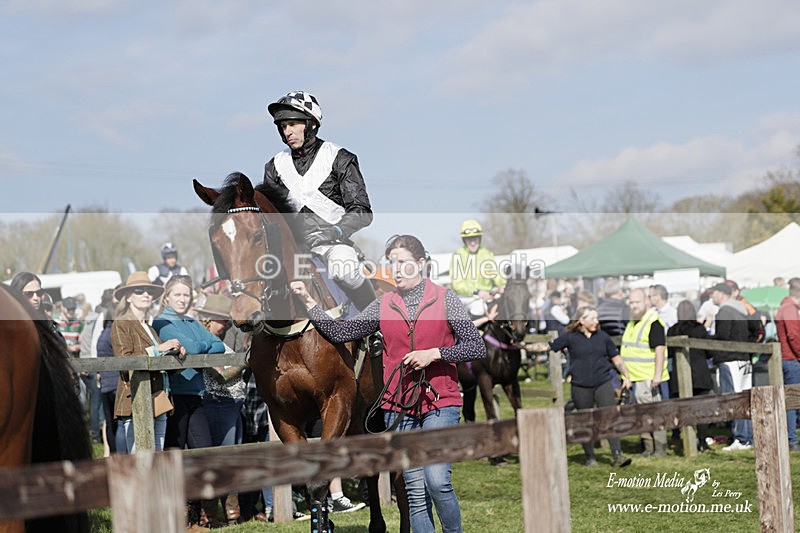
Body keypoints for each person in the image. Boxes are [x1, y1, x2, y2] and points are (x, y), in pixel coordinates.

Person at [291, 234, 485, 533]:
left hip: (441, 403)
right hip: (398, 408)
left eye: (404, 263)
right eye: (392, 263)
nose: (397, 269)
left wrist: (436, 354)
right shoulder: (383, 304)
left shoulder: (446, 299)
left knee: (436, 480)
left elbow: (476, 346)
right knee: (415, 491)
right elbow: (341, 333)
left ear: (421, 264)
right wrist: (309, 302)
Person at [262, 91, 375, 311]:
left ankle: (375, 327)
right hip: (293, 247)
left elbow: (362, 211)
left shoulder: (340, 157)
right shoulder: (274, 165)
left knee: (345, 271)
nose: (288, 132)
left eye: (293, 124)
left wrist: (336, 232)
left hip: (332, 244)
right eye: (283, 127)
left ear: (311, 124)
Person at [153, 275, 224, 529]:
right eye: (178, 295)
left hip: (195, 394)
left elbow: (218, 346)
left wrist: (200, 345)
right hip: (174, 395)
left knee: (203, 454)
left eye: (186, 295)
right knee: (175, 454)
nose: (183, 299)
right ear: (168, 296)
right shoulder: (163, 320)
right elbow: (193, 349)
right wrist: (201, 345)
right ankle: (177, 515)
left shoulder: (192, 321)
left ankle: (195, 513)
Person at [531, 306, 632, 467]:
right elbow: (548, 347)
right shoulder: (570, 337)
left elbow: (616, 358)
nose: (596, 321)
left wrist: (626, 376)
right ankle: (590, 457)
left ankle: (617, 456)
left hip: (603, 383)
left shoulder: (603, 337)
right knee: (585, 421)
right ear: (581, 320)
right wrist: (523, 347)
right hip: (580, 386)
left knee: (609, 417)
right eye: (592, 318)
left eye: (597, 318)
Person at [110, 272, 183, 453]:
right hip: (135, 400)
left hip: (159, 399)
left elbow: (157, 363)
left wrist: (175, 355)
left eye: (149, 291)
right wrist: (159, 349)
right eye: (139, 290)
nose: (146, 295)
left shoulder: (149, 328)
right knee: (140, 462)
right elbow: (124, 362)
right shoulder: (121, 323)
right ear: (128, 297)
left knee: (155, 461)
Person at [195, 293, 247, 525]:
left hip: (230, 404)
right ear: (208, 318)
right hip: (214, 401)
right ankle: (212, 514)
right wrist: (246, 360)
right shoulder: (204, 339)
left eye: (227, 320)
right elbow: (221, 374)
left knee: (228, 456)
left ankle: (229, 512)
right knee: (215, 457)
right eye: (222, 320)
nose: (226, 324)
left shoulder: (223, 338)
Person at [620, 288, 669, 457]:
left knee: (654, 413)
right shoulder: (633, 321)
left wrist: (656, 376)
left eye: (637, 302)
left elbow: (660, 351)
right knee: (642, 414)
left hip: (648, 378)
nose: (634, 305)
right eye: (631, 302)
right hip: (634, 378)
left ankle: (660, 448)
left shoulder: (653, 322)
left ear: (646, 302)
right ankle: (648, 447)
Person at [709, 281, 754, 451]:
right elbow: (754, 329)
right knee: (745, 399)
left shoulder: (725, 310)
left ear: (721, 294)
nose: (712, 296)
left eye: (713, 293)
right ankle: (747, 437)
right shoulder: (741, 309)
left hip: (730, 359)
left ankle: (741, 439)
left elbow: (723, 337)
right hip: (744, 358)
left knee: (735, 399)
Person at [667, 301, 715, 452]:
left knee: (680, 410)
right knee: (702, 411)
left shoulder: (672, 330)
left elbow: (668, 354)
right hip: (699, 374)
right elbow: (709, 352)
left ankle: (678, 439)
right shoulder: (699, 329)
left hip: (678, 377)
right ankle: (702, 441)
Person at [450, 219, 506, 317]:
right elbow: (457, 284)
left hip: (488, 296)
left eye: (475, 239)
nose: (473, 243)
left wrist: (502, 285)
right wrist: (477, 291)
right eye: (469, 239)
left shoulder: (487, 254)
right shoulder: (458, 255)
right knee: (479, 308)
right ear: (464, 240)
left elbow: (496, 275)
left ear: (479, 238)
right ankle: (472, 332)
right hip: (466, 297)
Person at [775, 280, 800, 452]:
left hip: (790, 358)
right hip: (792, 359)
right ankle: (792, 439)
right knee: (791, 401)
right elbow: (794, 336)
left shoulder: (786, 307)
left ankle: (792, 438)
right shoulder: (789, 309)